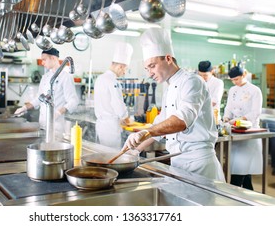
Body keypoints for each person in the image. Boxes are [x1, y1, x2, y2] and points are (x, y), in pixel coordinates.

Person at [123, 28, 225, 182]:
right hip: (178, 163)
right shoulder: (169, 87)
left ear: (168, 58)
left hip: (200, 165)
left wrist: (147, 132)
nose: (149, 73)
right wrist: (134, 150)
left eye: (152, 66)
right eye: (147, 68)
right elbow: (161, 123)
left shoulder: (192, 81)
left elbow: (181, 121)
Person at [14, 48, 79, 137]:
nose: (42, 63)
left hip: (56, 126)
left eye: (44, 60)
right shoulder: (45, 77)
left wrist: (58, 113)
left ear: (53, 58)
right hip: (43, 124)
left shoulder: (65, 77)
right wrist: (24, 108)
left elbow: (73, 101)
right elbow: (39, 98)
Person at [223, 66, 263, 190]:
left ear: (244, 74)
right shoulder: (233, 90)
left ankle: (235, 198)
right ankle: (248, 198)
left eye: (237, 79)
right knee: (241, 171)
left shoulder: (255, 90)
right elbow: (229, 107)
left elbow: (255, 112)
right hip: (235, 134)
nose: (235, 82)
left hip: (248, 134)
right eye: (232, 80)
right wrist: (226, 117)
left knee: (240, 171)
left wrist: (238, 120)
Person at [94, 42, 134, 149]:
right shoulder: (113, 81)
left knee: (102, 155)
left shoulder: (100, 78)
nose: (124, 73)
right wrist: (125, 117)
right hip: (111, 128)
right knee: (112, 157)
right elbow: (118, 104)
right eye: (125, 69)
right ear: (121, 66)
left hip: (101, 126)